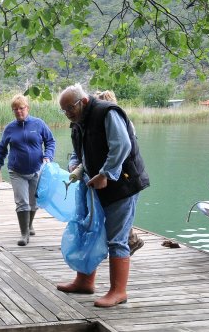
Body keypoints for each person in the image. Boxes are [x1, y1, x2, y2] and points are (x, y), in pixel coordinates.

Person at [57, 84, 150, 307]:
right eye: (64, 110)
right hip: (95, 185)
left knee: (116, 239)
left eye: (70, 108)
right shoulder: (78, 122)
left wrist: (105, 173)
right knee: (88, 231)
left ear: (84, 101)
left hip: (122, 184)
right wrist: (75, 166)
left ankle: (119, 291)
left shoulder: (107, 112)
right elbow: (78, 153)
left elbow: (122, 145)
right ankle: (84, 281)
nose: (68, 113)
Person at [0, 94, 56, 246]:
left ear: (27, 108)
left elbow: (50, 141)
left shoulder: (38, 124)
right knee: (22, 202)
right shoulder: (10, 128)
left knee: (33, 203)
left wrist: (48, 156)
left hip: (37, 170)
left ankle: (29, 224)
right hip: (16, 171)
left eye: (21, 108)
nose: (19, 112)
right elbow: (2, 148)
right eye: (15, 109)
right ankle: (24, 234)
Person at [94, 89, 145, 255]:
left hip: (124, 179)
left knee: (119, 226)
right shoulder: (103, 122)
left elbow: (124, 150)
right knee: (118, 220)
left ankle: (128, 243)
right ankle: (131, 241)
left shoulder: (120, 121)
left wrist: (106, 172)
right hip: (112, 178)